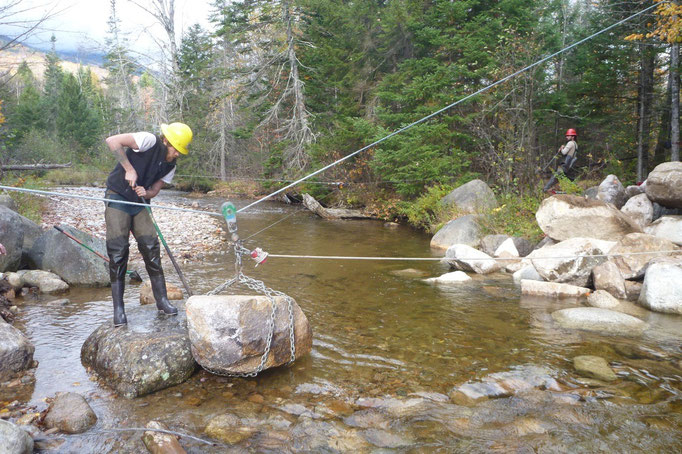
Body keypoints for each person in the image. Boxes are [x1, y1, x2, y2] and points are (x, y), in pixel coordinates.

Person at [104, 122, 193, 327]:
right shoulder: (148, 140)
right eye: (175, 148)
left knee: (151, 247)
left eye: (180, 150)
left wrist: (148, 193)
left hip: (140, 204)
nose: (177, 154)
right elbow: (112, 141)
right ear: (165, 140)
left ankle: (162, 301)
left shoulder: (170, 166)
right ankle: (119, 309)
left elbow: (155, 190)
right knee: (118, 252)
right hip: (118, 197)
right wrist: (129, 169)